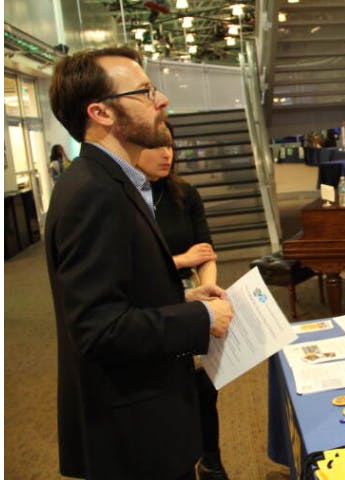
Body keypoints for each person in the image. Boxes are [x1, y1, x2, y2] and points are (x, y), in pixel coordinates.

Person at [45, 46, 233, 480]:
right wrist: (199, 318)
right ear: (101, 113)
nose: (161, 99)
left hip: (142, 419)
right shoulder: (95, 192)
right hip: (131, 434)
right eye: (145, 92)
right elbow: (97, 329)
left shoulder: (111, 182)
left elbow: (116, 292)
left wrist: (182, 296)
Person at [138, 123, 228, 480]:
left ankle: (212, 460)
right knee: (172, 393)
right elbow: (130, 268)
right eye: (157, 146)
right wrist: (180, 261)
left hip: (192, 300)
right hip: (154, 303)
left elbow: (206, 252)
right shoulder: (128, 200)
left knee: (206, 387)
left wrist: (208, 294)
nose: (166, 154)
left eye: (171, 146)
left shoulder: (185, 194)